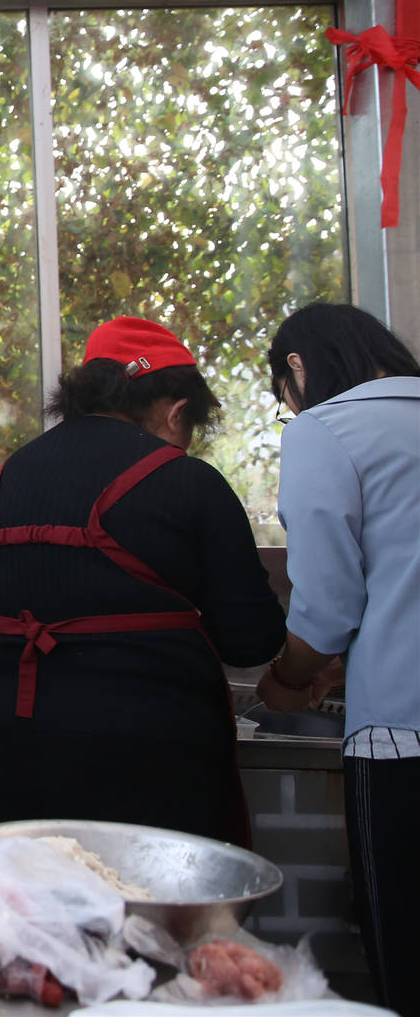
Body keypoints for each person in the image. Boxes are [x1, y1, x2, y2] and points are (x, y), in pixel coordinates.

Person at [0, 316, 284, 845]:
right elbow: (251, 638)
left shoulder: (10, 475)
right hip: (148, 750)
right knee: (151, 917)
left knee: (48, 910)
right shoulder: (189, 483)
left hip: (16, 740)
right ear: (176, 409)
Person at [255, 303, 420, 1017]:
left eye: (282, 399)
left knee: (407, 953)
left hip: (402, 733)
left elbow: (326, 607)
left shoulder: (328, 429)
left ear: (297, 368)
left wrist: (290, 678)